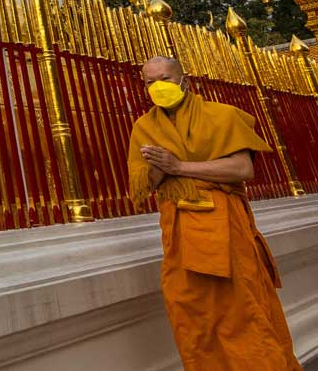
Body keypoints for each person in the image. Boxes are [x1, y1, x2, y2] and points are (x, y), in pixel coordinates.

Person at [127, 55, 302, 371]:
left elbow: (242, 168)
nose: (157, 87)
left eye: (164, 79)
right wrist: (159, 164)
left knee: (243, 310)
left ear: (185, 81)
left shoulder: (222, 116)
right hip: (180, 231)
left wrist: (180, 166)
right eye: (149, 82)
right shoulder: (145, 127)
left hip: (225, 227)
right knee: (192, 313)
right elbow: (146, 185)